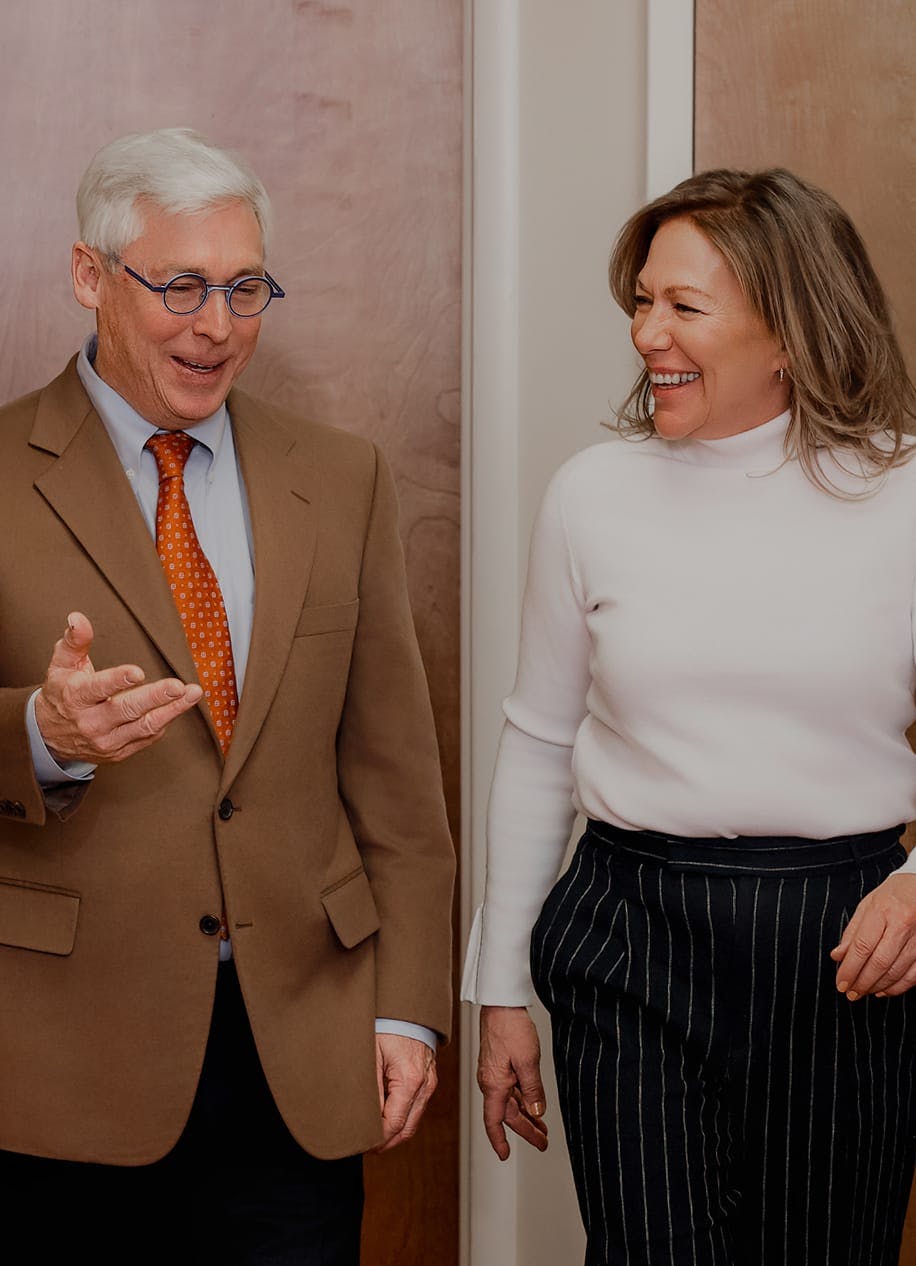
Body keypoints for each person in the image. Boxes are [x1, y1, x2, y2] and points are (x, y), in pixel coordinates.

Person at [0, 127, 455, 1266]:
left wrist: (406, 1008)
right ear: (89, 277)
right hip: (61, 1065)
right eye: (184, 286)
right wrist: (39, 735)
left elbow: (396, 785)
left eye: (246, 287)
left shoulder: (340, 476)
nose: (218, 326)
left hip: (297, 1052)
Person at [462, 167, 916, 1266]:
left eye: (683, 306)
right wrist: (498, 989)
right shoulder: (591, 495)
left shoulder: (903, 494)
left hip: (841, 949)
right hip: (628, 934)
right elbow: (538, 742)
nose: (644, 333)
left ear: (790, 332)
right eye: (641, 298)